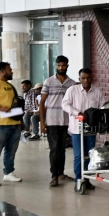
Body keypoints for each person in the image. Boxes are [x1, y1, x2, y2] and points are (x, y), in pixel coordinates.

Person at [62, 68, 104, 192]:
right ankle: (78, 180)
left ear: (92, 78)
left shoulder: (97, 91)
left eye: (88, 78)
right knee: (79, 156)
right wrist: (77, 112)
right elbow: (64, 104)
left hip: (91, 129)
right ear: (79, 79)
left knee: (89, 155)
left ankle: (87, 179)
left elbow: (102, 106)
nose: (86, 80)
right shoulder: (72, 90)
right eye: (83, 78)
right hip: (76, 129)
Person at [40, 55, 76, 187]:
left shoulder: (72, 84)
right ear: (56, 66)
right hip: (52, 121)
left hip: (66, 121)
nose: (61, 68)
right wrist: (43, 122)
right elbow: (42, 103)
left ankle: (61, 173)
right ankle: (54, 175)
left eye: (64, 65)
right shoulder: (48, 81)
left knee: (62, 149)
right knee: (54, 149)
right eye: (59, 65)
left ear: (67, 66)